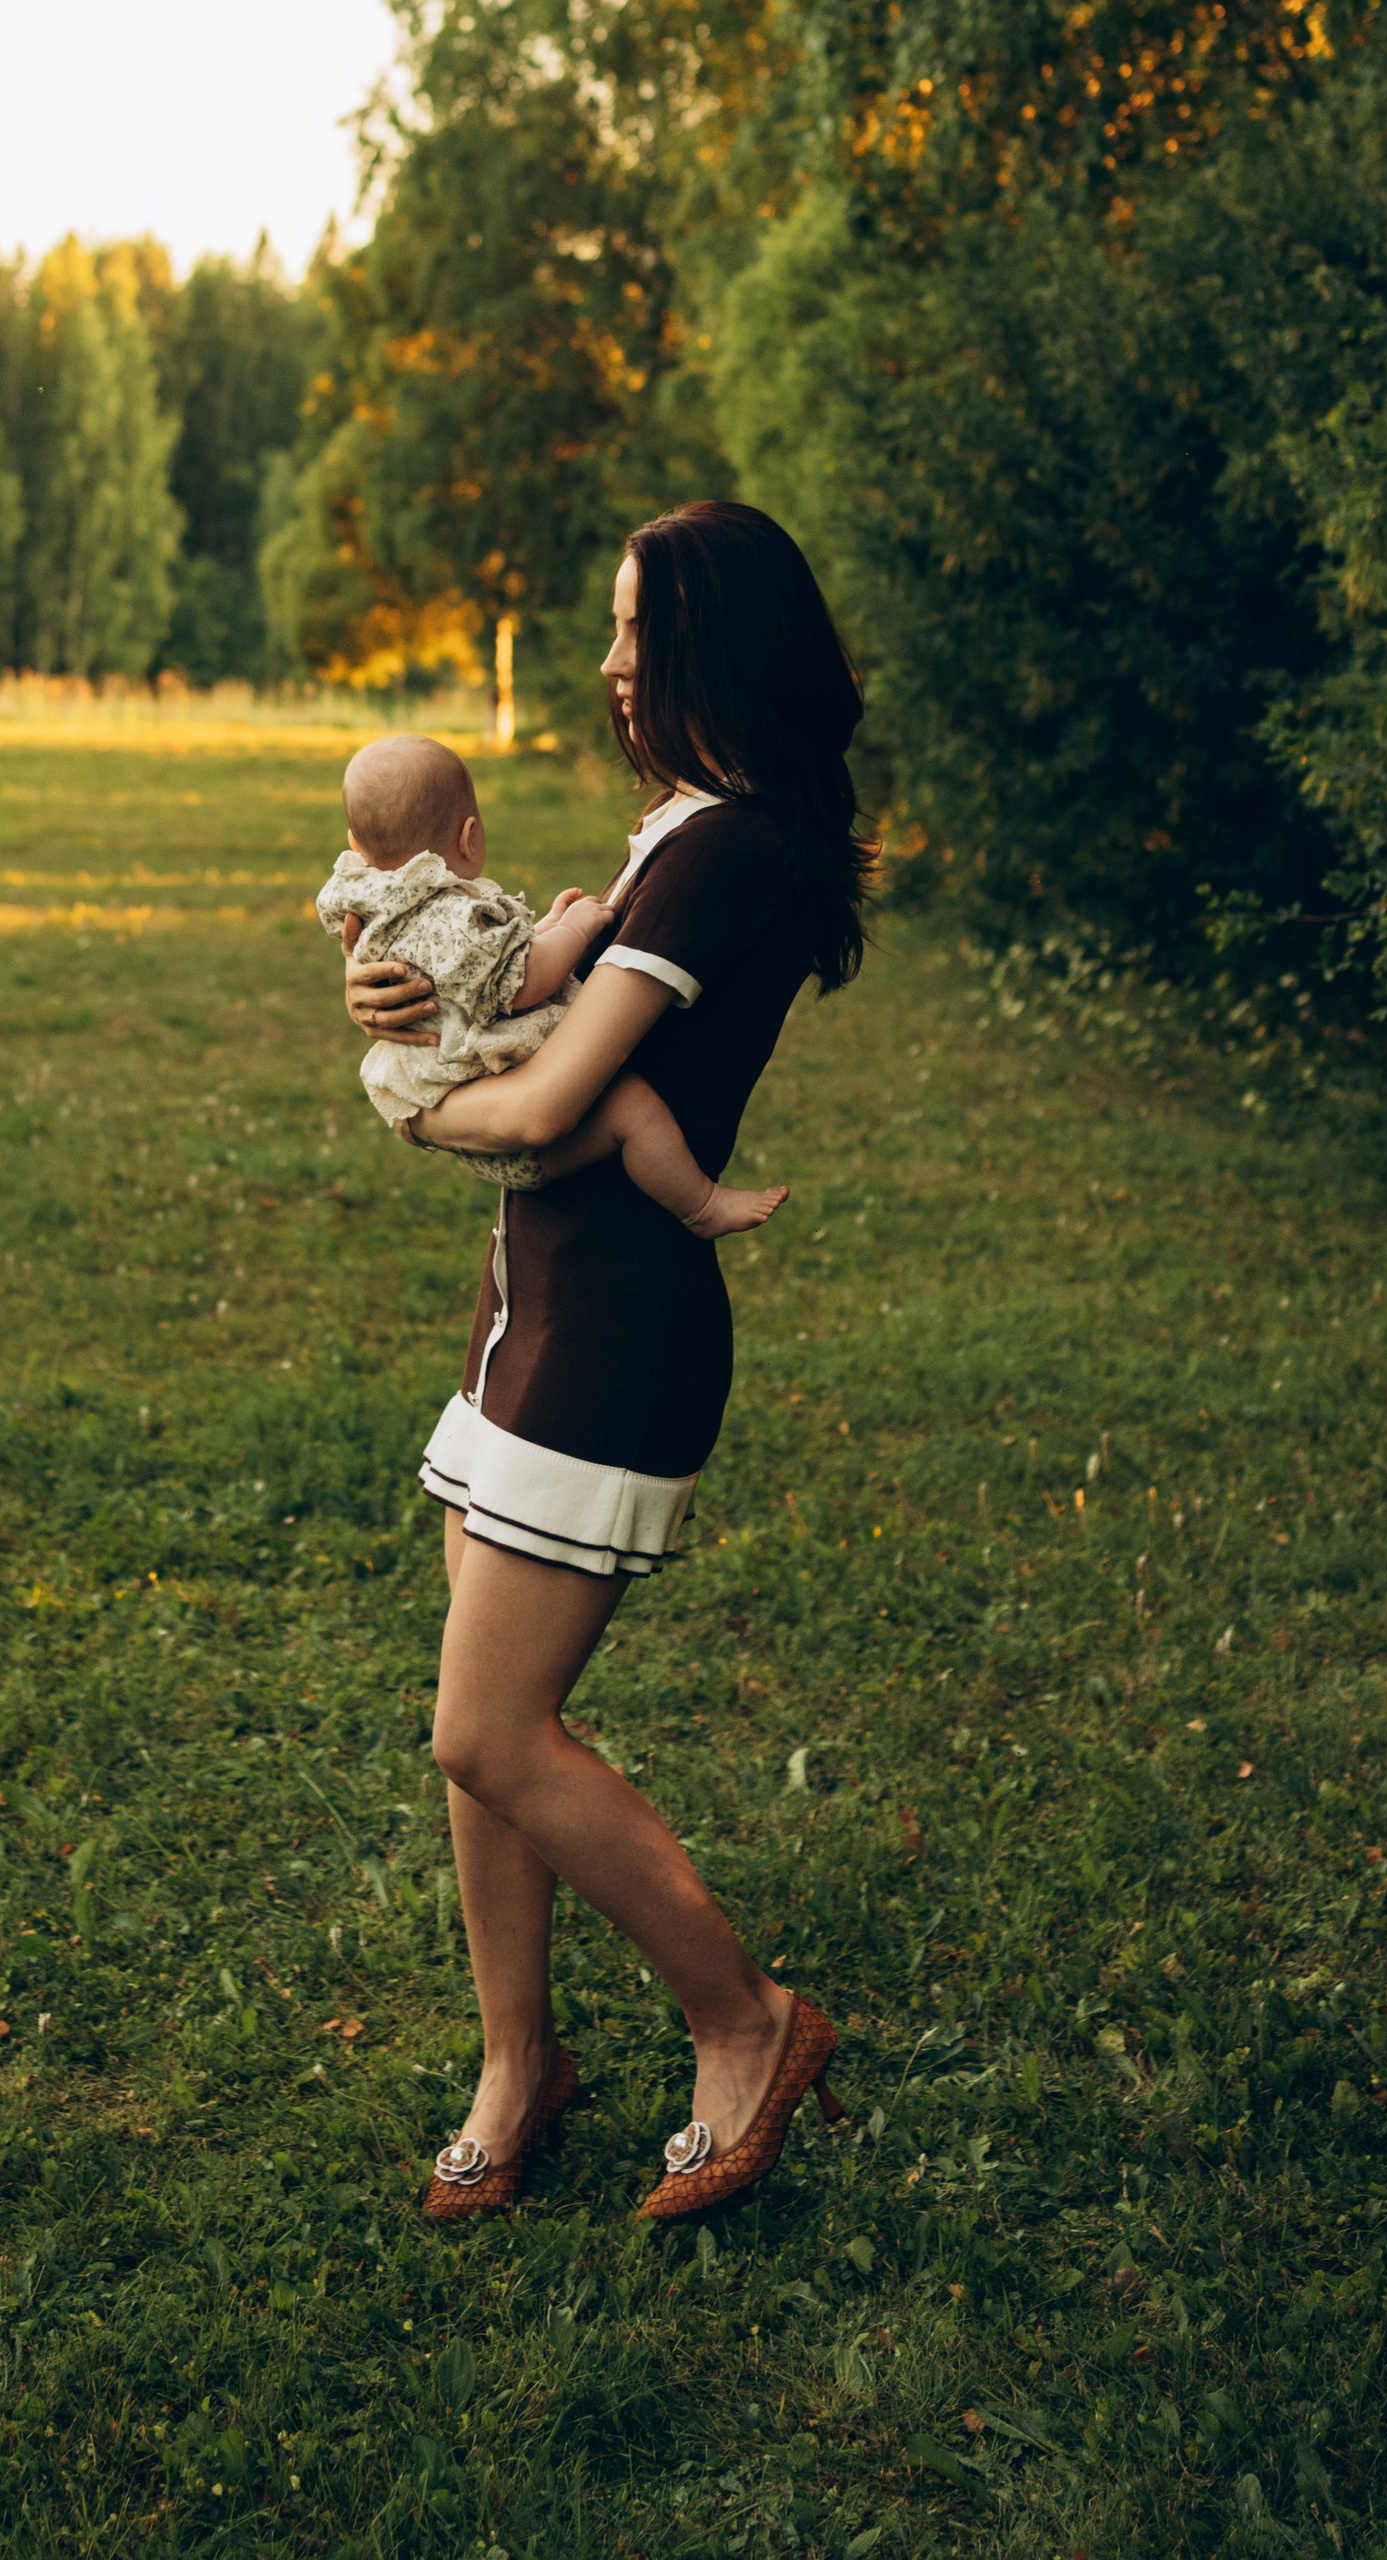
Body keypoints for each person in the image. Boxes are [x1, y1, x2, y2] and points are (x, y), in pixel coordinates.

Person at [344, 502, 871, 2225]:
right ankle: (521, 2064)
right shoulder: (685, 831)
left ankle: (750, 2022)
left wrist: (419, 1112)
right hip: (533, 1310)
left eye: (640, 627)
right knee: (475, 1739)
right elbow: (522, 1005)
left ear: (715, 643)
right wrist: (405, 1006)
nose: (612, 659)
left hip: (617, 1338)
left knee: (489, 1729)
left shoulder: (728, 855)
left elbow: (566, 1102)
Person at [315, 730, 790, 1239]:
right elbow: (522, 984)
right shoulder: (454, 917)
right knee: (632, 1110)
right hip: (506, 1109)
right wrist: (575, 930)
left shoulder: (376, 907)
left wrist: (542, 931)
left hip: (451, 1102)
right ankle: (700, 1205)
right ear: (470, 836)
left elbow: (479, 977)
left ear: (355, 844)